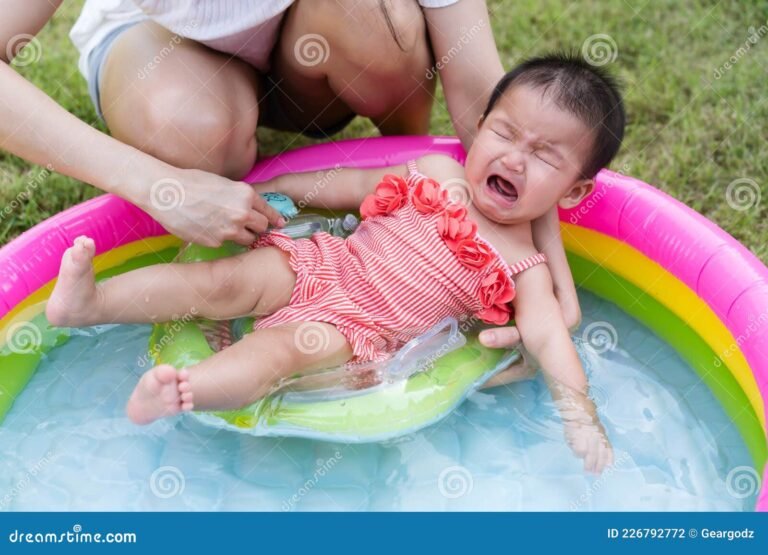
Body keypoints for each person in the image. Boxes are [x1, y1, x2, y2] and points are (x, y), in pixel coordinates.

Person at [46, 54, 625, 473]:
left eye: (545, 156)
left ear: (571, 195)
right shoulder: (435, 173)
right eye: (505, 132)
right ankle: (90, 302)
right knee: (220, 281)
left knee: (279, 353)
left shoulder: (525, 267)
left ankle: (183, 389)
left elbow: (552, 342)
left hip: (358, 330)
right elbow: (345, 184)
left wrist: (580, 416)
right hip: (322, 263)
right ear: (479, 129)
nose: (515, 159)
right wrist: (273, 188)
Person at [1, 0, 581, 356]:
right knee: (193, 133)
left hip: (312, 59)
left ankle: (404, 198)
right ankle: (211, 152)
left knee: (379, 16)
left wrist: (549, 279)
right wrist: (159, 185)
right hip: (165, 49)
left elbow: (484, 102)